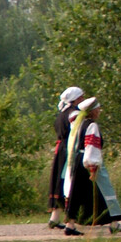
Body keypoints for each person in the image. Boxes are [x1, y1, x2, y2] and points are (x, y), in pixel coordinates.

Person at [61, 97, 121, 235]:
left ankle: (70, 224)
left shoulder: (79, 124)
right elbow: (91, 146)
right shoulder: (92, 125)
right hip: (88, 160)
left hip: (78, 159)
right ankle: (114, 223)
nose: (99, 111)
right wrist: (93, 166)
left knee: (77, 193)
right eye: (98, 109)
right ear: (93, 111)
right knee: (105, 190)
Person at [46, 86, 85, 229]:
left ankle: (55, 217)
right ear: (76, 99)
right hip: (69, 149)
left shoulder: (62, 113)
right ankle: (67, 218)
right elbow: (77, 133)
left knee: (59, 180)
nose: (83, 100)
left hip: (60, 149)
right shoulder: (73, 113)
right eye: (81, 97)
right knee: (67, 180)